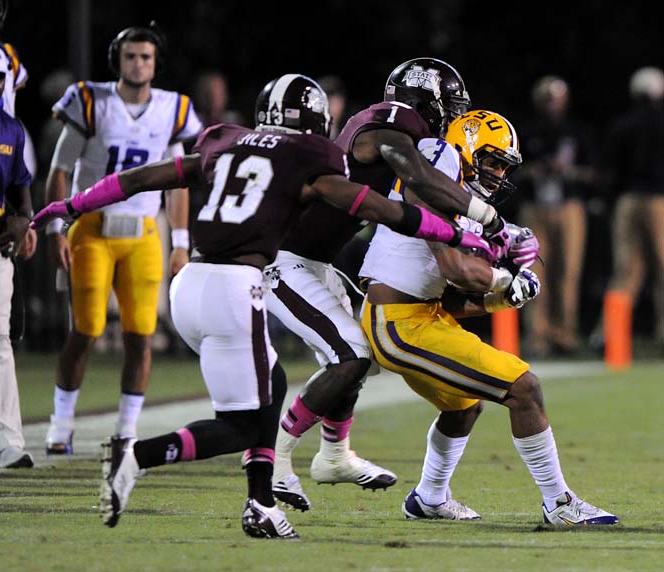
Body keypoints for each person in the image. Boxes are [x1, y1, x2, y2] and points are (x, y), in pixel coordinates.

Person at [32, 74, 493, 538]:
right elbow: (383, 210)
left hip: (191, 283)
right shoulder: (309, 157)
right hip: (235, 288)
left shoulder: (225, 143)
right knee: (246, 424)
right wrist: (460, 232)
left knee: (269, 389)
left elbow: (140, 178)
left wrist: (71, 205)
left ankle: (264, 502)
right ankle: (139, 456)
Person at [269, 57, 508, 512]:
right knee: (351, 354)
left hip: (316, 260)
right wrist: (488, 220)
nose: (455, 116)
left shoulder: (401, 132)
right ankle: (275, 463)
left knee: (360, 357)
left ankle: (334, 455)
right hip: (283, 258)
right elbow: (419, 177)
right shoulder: (392, 120)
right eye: (452, 104)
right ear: (429, 99)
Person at [358, 109, 618, 526]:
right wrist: (505, 278)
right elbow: (456, 270)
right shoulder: (429, 184)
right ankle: (559, 502)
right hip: (398, 323)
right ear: (465, 149)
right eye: (492, 160)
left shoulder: (458, 201)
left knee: (463, 407)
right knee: (524, 388)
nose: (498, 173)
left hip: (422, 316)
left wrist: (510, 293)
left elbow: (459, 300)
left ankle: (429, 497)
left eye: (504, 165)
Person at [42, 24, 202, 455]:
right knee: (86, 329)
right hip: (93, 228)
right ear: (118, 59)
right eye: (131, 56)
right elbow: (60, 168)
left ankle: (127, 428)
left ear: (156, 63)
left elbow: (179, 183)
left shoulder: (173, 108)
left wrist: (181, 241)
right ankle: (61, 424)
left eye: (145, 57)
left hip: (145, 233)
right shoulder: (91, 100)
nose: (138, 64)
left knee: (140, 333)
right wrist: (58, 228)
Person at [514, 76, 597, 356]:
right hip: (534, 207)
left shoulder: (577, 131)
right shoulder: (526, 132)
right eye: (548, 99)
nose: (553, 105)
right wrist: (532, 171)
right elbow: (510, 171)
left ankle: (565, 335)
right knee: (534, 271)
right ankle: (538, 336)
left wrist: (569, 172)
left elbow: (595, 172)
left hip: (569, 206)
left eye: (557, 99)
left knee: (568, 273)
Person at [599, 66, 664, 351]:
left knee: (625, 270)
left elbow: (610, 172)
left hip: (627, 202)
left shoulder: (621, 125)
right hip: (659, 200)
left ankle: (609, 335)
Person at [0, 44, 35, 469]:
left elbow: (21, 189)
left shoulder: (10, 129)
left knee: (0, 340)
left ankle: (6, 442)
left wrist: (24, 221)